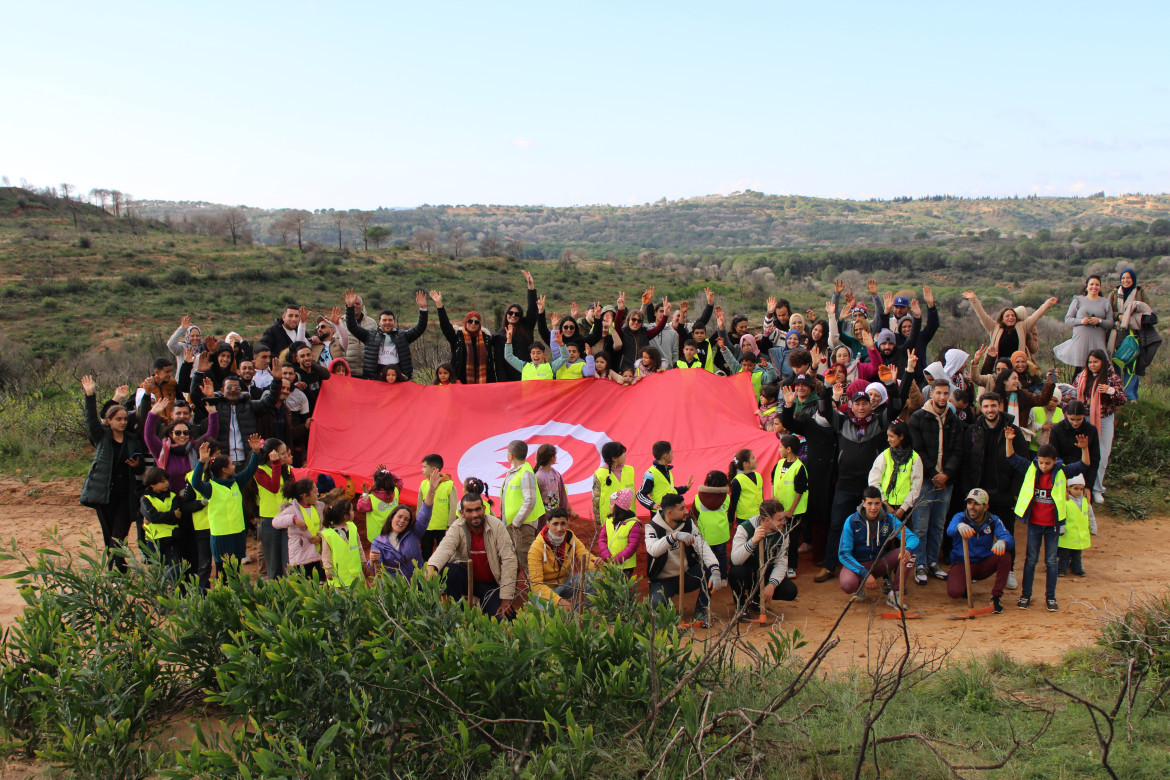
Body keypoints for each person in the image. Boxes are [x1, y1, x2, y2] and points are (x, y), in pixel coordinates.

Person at [814, 366, 909, 583]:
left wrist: (890, 385)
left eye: (865, 403)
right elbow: (824, 409)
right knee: (837, 524)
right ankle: (829, 565)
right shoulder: (842, 421)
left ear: (870, 405)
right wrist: (827, 387)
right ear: (852, 405)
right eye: (857, 403)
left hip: (871, 487)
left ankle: (881, 568)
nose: (861, 406)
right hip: (845, 484)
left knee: (877, 526)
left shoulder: (879, 422)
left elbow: (895, 407)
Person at [1006, 431, 1091, 612]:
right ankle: (1025, 595)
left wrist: (1084, 448)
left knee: (1051, 561)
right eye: (1041, 462)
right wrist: (1008, 440)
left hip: (1052, 526)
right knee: (1030, 561)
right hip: (1035, 525)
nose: (1044, 466)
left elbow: (1084, 464)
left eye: (1047, 463)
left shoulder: (1062, 471)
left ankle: (1050, 596)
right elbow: (1011, 458)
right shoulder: (1032, 468)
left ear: (1055, 461)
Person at [80, 375, 146, 572]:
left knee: (119, 534)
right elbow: (91, 420)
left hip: (126, 495)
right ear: (108, 421)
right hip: (105, 495)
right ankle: (117, 568)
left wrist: (136, 465)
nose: (123, 422)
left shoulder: (133, 440)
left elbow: (141, 468)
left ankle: (117, 569)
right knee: (109, 534)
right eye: (118, 419)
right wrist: (89, 395)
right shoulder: (102, 437)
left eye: (125, 419)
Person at [962, 391, 1026, 589]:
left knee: (1006, 532)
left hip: (1004, 492)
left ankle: (1009, 570)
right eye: (986, 406)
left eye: (993, 406)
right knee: (976, 533)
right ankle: (975, 569)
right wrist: (968, 492)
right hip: (979, 494)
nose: (990, 410)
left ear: (1000, 406)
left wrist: (1015, 491)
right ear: (981, 407)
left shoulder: (1013, 431)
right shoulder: (973, 430)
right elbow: (965, 461)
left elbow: (1022, 464)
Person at [426, 493, 518, 619]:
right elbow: (445, 547)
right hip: (467, 580)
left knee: (505, 619)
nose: (475, 515)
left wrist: (506, 597)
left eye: (477, 509)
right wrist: (432, 566)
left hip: (491, 584)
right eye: (469, 511)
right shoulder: (457, 526)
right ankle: (457, 613)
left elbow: (509, 560)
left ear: (484, 509)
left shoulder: (497, 526)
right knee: (450, 571)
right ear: (462, 513)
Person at [908, 379, 965, 586]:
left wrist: (946, 474)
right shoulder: (918, 418)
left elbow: (959, 450)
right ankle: (919, 564)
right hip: (924, 480)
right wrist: (935, 474)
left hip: (946, 483)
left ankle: (933, 562)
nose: (942, 397)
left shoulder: (954, 419)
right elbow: (918, 449)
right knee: (921, 526)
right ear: (931, 394)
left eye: (945, 393)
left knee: (938, 525)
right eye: (938, 393)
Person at [644, 494, 724, 627]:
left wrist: (715, 568)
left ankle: (701, 611)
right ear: (669, 513)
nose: (686, 511)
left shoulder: (688, 523)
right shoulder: (652, 527)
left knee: (709, 570)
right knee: (656, 606)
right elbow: (653, 550)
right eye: (681, 508)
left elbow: (701, 545)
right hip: (663, 580)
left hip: (686, 576)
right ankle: (667, 611)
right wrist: (673, 537)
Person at [191, 434, 263, 577]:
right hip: (221, 536)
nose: (233, 466)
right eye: (231, 464)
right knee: (222, 572)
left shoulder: (236, 482)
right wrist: (201, 461)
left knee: (236, 572)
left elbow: (250, 470)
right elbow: (195, 482)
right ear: (224, 470)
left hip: (238, 533)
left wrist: (256, 452)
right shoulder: (210, 488)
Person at [838, 487, 919, 609]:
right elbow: (844, 554)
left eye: (877, 503)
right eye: (869, 503)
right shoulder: (852, 521)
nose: (873, 508)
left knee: (910, 553)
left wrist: (907, 550)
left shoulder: (889, 519)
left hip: (878, 563)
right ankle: (858, 586)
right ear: (863, 503)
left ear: (881, 503)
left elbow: (912, 538)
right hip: (858, 565)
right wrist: (864, 573)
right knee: (847, 584)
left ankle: (894, 594)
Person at [945, 488, 1014, 614]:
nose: (972, 507)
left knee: (1005, 555)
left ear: (985, 507)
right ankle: (964, 582)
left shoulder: (993, 520)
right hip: (962, 563)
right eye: (969, 503)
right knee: (954, 592)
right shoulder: (960, 517)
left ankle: (996, 597)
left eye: (976, 504)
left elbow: (1009, 538)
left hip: (983, 563)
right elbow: (949, 531)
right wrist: (959, 526)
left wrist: (1003, 541)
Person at [1072, 349, 1126, 503]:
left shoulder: (1111, 378)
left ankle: (1097, 489)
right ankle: (1079, 487)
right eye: (1090, 362)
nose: (1092, 365)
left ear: (1103, 362)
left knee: (1102, 455)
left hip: (1104, 420)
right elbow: (1073, 393)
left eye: (1095, 361)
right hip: (1084, 419)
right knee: (1080, 453)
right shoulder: (1081, 377)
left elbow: (1122, 398)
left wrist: (1111, 391)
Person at [729, 498, 798, 617]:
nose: (783, 522)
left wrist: (772, 584)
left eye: (783, 519)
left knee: (790, 591)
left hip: (766, 572)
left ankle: (758, 598)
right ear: (767, 520)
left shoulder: (783, 533)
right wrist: (752, 542)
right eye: (780, 520)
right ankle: (740, 604)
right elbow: (735, 559)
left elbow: (781, 562)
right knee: (736, 572)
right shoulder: (745, 528)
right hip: (748, 571)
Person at [344, 288, 430, 381]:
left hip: (398, 379)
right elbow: (352, 326)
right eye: (384, 320)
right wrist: (349, 308)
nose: (387, 322)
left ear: (394, 321)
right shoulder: (370, 336)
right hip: (375, 379)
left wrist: (423, 309)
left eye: (390, 320)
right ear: (379, 322)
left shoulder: (402, 336)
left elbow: (420, 328)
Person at [528, 508, 601, 611]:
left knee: (595, 577)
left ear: (567, 524)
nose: (559, 528)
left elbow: (584, 555)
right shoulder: (536, 547)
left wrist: (597, 565)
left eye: (563, 524)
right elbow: (536, 585)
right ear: (548, 524)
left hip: (565, 584)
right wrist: (560, 601)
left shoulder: (570, 538)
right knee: (549, 616)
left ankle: (580, 617)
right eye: (555, 524)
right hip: (544, 590)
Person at [1108, 268, 1160, 400]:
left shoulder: (1139, 292)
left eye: (1128, 278)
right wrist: (1119, 316)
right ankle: (1118, 394)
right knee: (1117, 362)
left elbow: (1147, 309)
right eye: (1123, 278)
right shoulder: (1114, 293)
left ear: (1133, 279)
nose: (1125, 280)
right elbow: (1108, 311)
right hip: (1117, 333)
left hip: (1135, 333)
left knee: (1133, 364)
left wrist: (1132, 318)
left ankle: (1131, 396)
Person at [963, 290, 1058, 362]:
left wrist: (1049, 303)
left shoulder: (1022, 326)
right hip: (999, 367)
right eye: (1007, 316)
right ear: (1002, 318)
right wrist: (973, 299)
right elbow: (982, 314)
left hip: (1017, 366)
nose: (1010, 318)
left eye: (1013, 315)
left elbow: (1037, 315)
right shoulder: (994, 327)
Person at [867, 419, 923, 540]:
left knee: (903, 542)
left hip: (905, 509)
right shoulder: (885, 455)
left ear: (901, 436)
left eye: (891, 436)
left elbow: (916, 487)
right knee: (882, 540)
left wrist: (902, 509)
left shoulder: (914, 458)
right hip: (884, 507)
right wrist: (885, 504)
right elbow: (874, 481)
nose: (889, 439)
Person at [139, 466, 194, 582]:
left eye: (166, 480)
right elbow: (152, 516)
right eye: (162, 481)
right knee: (157, 572)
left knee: (175, 570)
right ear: (152, 484)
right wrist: (171, 514)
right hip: (154, 539)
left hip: (171, 538)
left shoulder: (173, 496)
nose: (166, 483)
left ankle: (174, 594)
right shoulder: (145, 499)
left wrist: (164, 516)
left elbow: (177, 517)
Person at [433, 290, 496, 384]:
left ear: (480, 324)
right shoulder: (457, 337)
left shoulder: (486, 339)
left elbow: (491, 363)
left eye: (476, 322)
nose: (473, 324)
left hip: (483, 384)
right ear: (466, 322)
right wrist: (439, 305)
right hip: (459, 383)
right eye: (470, 321)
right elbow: (445, 326)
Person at [501, 440, 545, 575]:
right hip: (513, 525)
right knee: (512, 561)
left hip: (522, 526)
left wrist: (517, 521)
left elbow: (530, 499)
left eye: (508, 452)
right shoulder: (514, 472)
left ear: (511, 455)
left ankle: (537, 594)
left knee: (528, 563)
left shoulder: (526, 473)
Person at [1055, 276, 1113, 373]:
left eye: (1097, 285)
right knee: (1080, 371)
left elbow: (1110, 323)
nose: (1094, 287)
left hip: (1097, 341)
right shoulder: (1078, 300)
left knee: (1099, 370)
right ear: (1086, 287)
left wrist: (1099, 321)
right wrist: (1082, 321)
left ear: (1100, 287)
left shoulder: (1105, 303)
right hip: (1081, 342)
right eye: (1091, 284)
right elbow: (1068, 319)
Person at [254, 438, 293, 580]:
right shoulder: (259, 470)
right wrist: (276, 464)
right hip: (270, 519)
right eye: (282, 454)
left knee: (288, 561)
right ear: (272, 454)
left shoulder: (286, 469)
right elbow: (274, 487)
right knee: (274, 563)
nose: (285, 457)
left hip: (287, 518)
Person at [771, 434, 808, 579]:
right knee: (779, 538)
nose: (779, 449)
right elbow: (774, 481)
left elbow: (800, 491)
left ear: (789, 449)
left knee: (792, 539)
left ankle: (791, 566)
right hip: (778, 511)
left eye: (781, 447)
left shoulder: (800, 468)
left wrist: (791, 510)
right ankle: (778, 564)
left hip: (793, 513)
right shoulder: (779, 464)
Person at [273, 478, 325, 579]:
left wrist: (320, 536)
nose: (318, 494)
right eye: (315, 491)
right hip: (300, 559)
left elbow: (326, 526)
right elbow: (275, 522)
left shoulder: (319, 507)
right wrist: (293, 518)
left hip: (317, 556)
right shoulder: (292, 509)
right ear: (305, 496)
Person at [1049, 401, 1102, 499]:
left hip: (1084, 476)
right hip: (1064, 473)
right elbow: (1055, 458)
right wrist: (1062, 484)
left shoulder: (1091, 430)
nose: (1075, 423)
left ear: (1084, 416)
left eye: (1079, 419)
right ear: (1066, 415)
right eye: (1072, 419)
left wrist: (1088, 486)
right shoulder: (1057, 429)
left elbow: (1095, 460)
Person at [369, 503, 430, 579]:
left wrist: (431, 492)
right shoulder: (378, 543)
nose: (402, 521)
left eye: (406, 519)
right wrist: (372, 561)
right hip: (395, 588)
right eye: (399, 516)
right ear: (392, 517)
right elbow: (375, 567)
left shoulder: (413, 534)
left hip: (419, 585)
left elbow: (424, 515)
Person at [320, 499, 368, 587]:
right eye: (352, 510)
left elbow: (359, 546)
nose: (354, 512)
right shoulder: (328, 534)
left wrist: (363, 561)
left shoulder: (353, 527)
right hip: (340, 578)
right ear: (345, 516)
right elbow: (325, 554)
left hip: (356, 575)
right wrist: (328, 569)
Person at [637, 440, 694, 514]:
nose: (673, 455)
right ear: (666, 456)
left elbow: (670, 490)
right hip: (660, 514)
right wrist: (652, 504)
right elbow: (640, 494)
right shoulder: (651, 473)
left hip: (671, 512)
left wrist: (685, 488)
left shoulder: (668, 471)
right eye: (671, 453)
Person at [693, 470, 732, 575]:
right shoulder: (727, 497)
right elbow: (729, 509)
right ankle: (723, 578)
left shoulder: (697, 498)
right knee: (722, 556)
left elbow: (693, 514)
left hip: (705, 534)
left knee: (706, 557)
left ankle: (708, 578)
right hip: (721, 534)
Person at [596, 488, 642, 576]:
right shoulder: (608, 521)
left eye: (611, 503)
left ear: (619, 507)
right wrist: (606, 556)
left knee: (623, 588)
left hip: (625, 567)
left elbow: (632, 546)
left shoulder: (633, 524)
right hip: (608, 564)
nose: (609, 506)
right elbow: (602, 539)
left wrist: (618, 559)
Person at [416, 455, 455, 557]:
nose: (422, 470)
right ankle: (425, 573)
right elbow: (419, 506)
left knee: (443, 555)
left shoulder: (449, 485)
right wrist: (418, 525)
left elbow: (453, 508)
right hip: (426, 528)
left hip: (443, 529)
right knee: (425, 555)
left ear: (434, 469)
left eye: (424, 467)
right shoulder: (423, 484)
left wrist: (450, 526)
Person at [1058, 474, 1096, 577]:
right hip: (1067, 535)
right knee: (1064, 554)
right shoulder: (1065, 502)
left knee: (1077, 554)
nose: (1079, 491)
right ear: (1069, 488)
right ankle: (1061, 569)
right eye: (1076, 488)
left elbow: (1091, 516)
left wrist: (1093, 528)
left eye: (1081, 489)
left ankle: (1077, 568)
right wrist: (1060, 529)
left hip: (1080, 535)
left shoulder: (1086, 502)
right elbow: (1060, 516)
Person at [592, 441, 637, 527]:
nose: (625, 455)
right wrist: (597, 517)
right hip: (609, 518)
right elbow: (596, 497)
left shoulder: (630, 470)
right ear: (614, 458)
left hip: (629, 517)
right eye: (623, 453)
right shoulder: (600, 473)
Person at [357, 466, 402, 542]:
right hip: (393, 532)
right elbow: (399, 481)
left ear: (375, 482)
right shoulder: (396, 491)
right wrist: (389, 473)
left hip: (377, 536)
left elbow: (360, 507)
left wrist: (365, 494)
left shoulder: (370, 498)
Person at [534, 444, 571, 527]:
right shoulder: (539, 476)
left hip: (557, 515)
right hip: (545, 519)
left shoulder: (555, 473)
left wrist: (565, 511)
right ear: (552, 458)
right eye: (555, 456)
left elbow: (562, 494)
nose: (556, 458)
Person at [342, 292, 377, 377]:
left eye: (357, 303)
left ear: (362, 305)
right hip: (347, 370)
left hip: (367, 370)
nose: (355, 305)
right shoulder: (340, 322)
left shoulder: (372, 323)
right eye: (352, 303)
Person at [727, 448, 764, 530]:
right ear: (746, 464)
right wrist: (730, 520)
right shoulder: (737, 480)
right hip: (745, 519)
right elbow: (733, 503)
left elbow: (761, 496)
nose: (756, 459)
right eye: (753, 458)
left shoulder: (758, 476)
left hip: (759, 516)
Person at [1027, 388, 1064, 453]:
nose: (1051, 403)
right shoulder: (1035, 409)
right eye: (1050, 399)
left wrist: (1057, 426)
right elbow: (1029, 426)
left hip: (1051, 448)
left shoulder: (1060, 412)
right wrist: (1041, 426)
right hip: (1034, 447)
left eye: (1055, 401)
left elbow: (1063, 428)